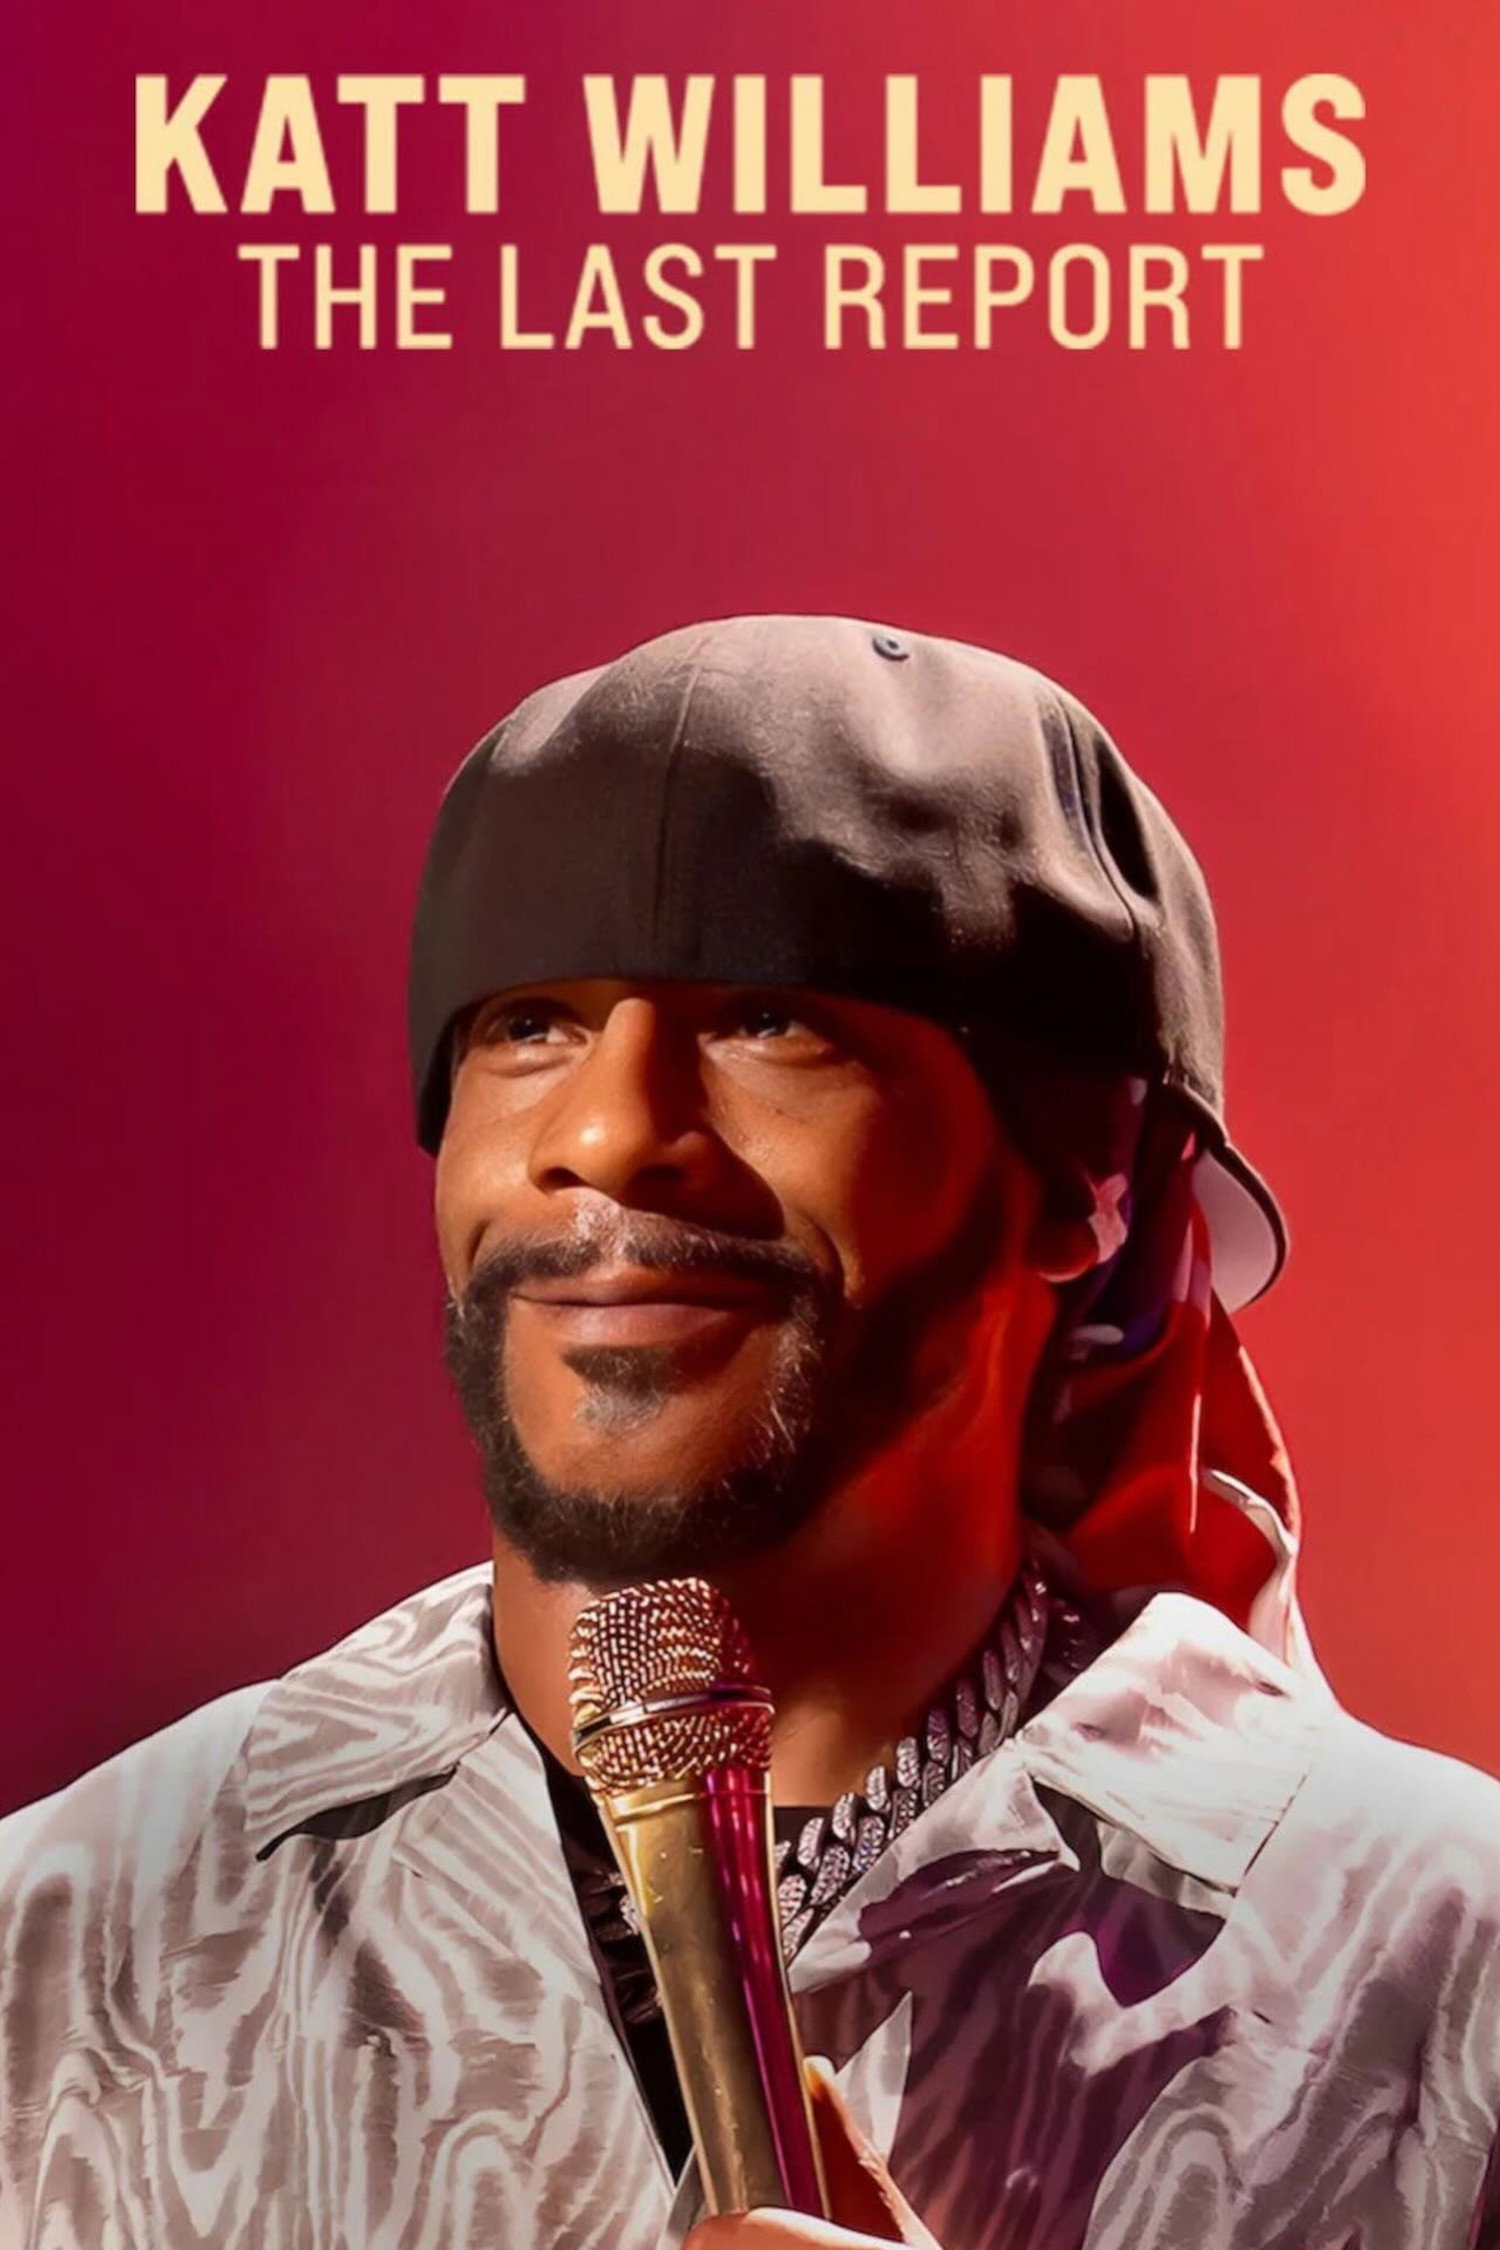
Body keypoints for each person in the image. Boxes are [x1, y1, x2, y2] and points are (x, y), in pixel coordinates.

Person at [2, 616, 1496, 2250]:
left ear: (1089, 1178)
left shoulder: (1438, 1972)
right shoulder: (65, 1940)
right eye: (529, 1024)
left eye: (775, 1019)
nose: (606, 1133)